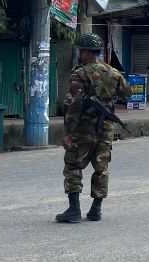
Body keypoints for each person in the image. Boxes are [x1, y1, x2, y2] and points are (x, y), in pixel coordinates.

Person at [55, 33, 132, 223]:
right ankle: (96, 210)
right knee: (101, 166)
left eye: (82, 51)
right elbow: (127, 93)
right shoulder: (113, 72)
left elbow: (73, 105)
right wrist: (107, 97)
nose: (80, 54)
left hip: (83, 128)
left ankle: (74, 210)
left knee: (73, 165)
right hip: (105, 127)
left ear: (87, 52)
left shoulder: (80, 73)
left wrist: (68, 132)